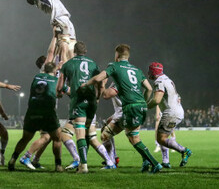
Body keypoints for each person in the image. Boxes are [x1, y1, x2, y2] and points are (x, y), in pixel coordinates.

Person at [83, 44, 162, 174]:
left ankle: (155, 164)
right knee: (108, 134)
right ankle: (143, 161)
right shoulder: (136, 70)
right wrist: (143, 102)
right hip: (139, 106)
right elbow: (149, 89)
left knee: (133, 138)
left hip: (131, 107)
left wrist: (87, 84)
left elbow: (98, 78)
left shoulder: (114, 66)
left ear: (117, 55)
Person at [57, 41, 115, 173]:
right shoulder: (93, 64)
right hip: (92, 102)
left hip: (79, 102)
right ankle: (105, 161)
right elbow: (100, 83)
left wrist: (64, 90)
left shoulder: (68, 65)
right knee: (90, 136)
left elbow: (60, 87)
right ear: (86, 51)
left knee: (80, 135)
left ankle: (83, 165)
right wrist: (98, 97)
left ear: (74, 51)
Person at [8, 62, 63, 172]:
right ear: (55, 71)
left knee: (25, 139)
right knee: (57, 138)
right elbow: (61, 93)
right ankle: (58, 165)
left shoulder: (37, 77)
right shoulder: (56, 81)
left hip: (32, 111)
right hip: (47, 112)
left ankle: (13, 159)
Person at [146, 62, 192, 168]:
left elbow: (156, 99)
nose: (148, 73)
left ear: (154, 72)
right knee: (163, 137)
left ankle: (184, 151)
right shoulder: (168, 79)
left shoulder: (159, 81)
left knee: (160, 139)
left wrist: (145, 107)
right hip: (177, 111)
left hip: (171, 113)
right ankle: (166, 161)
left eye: (150, 71)